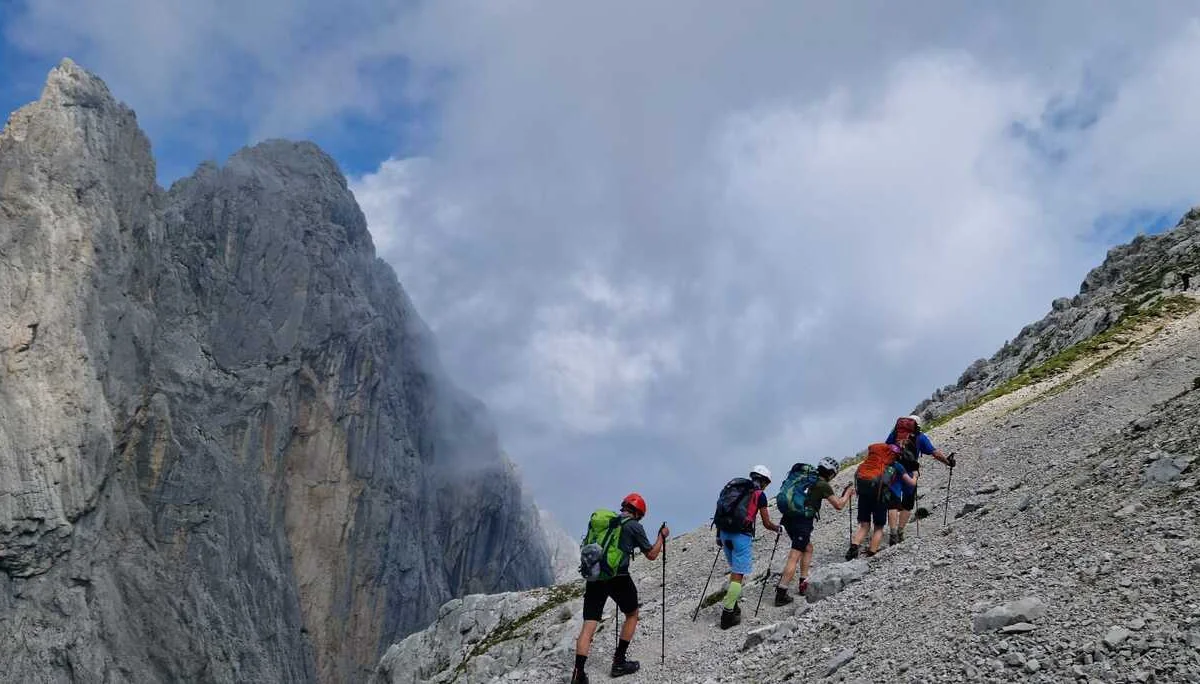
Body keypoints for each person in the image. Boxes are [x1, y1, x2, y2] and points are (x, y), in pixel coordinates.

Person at [572, 493, 669, 684]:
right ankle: (619, 662)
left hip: (595, 577)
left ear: (624, 507)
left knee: (588, 625)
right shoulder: (633, 526)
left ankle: (578, 674)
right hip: (619, 578)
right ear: (639, 513)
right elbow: (652, 555)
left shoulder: (607, 523)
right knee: (632, 614)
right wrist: (661, 537)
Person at [773, 457, 855, 606]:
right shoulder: (822, 484)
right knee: (794, 555)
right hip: (802, 521)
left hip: (789, 518)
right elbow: (839, 505)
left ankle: (803, 583)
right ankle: (781, 592)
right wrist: (848, 493)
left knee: (808, 548)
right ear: (831, 473)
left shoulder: (806, 478)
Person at [714, 465, 780, 629]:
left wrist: (718, 535)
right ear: (764, 481)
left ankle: (733, 604)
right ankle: (728, 614)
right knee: (738, 576)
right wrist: (778, 529)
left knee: (734, 572)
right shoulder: (759, 495)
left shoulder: (735, 487)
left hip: (724, 533)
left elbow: (720, 511)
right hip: (741, 536)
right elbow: (766, 523)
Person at [885, 414, 955, 544]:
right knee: (908, 504)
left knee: (893, 504)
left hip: (893, 471)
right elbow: (935, 453)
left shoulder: (894, 434)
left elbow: (885, 449)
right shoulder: (920, 437)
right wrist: (948, 462)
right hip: (911, 472)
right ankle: (900, 533)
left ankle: (892, 533)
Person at [847, 438, 918, 560]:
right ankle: (872, 554)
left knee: (864, 525)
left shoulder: (868, 463)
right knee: (878, 527)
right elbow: (910, 483)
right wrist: (915, 476)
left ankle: (853, 548)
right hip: (880, 497)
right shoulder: (897, 465)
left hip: (864, 496)